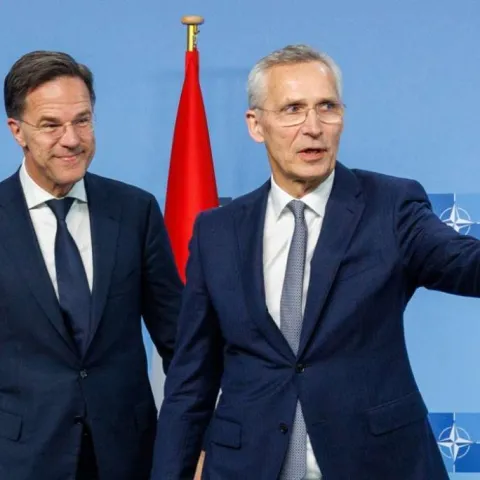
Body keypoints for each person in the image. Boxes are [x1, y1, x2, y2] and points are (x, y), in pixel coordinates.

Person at [150, 43, 470, 479]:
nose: (313, 127)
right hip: (248, 467)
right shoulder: (217, 231)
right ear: (256, 124)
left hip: (374, 464)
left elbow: (463, 262)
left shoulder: (391, 206)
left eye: (327, 107)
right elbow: (191, 380)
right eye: (293, 109)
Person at [0, 51, 182, 480]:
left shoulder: (134, 210)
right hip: (20, 458)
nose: (72, 139)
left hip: (128, 455)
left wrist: (194, 437)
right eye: (51, 125)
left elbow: (179, 340)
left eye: (82, 120)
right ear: (17, 131)